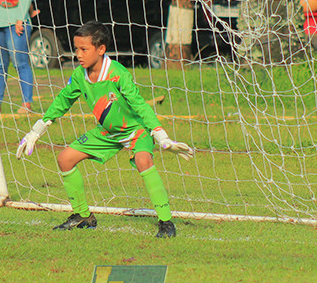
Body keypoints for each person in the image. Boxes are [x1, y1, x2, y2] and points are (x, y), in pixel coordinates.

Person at [15, 21, 194, 238]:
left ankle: (166, 222)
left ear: (101, 50)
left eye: (84, 49)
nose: (78, 54)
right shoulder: (80, 75)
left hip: (135, 130)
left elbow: (138, 104)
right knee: (65, 159)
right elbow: (63, 100)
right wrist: (36, 130)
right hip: (107, 132)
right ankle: (83, 216)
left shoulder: (117, 73)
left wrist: (159, 133)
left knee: (143, 161)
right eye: (76, 49)